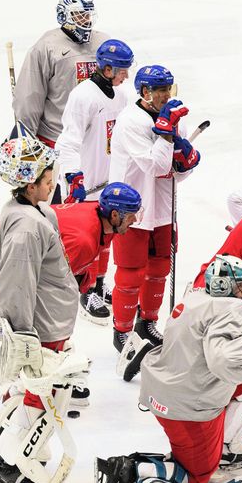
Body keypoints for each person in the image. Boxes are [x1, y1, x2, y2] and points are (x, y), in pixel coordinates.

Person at [94, 256, 242, 483]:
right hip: (188, 404)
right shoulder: (233, 309)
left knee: (199, 449)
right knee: (198, 476)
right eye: (240, 285)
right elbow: (224, 357)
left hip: (160, 390)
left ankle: (203, 452)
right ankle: (133, 470)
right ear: (226, 285)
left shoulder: (192, 299)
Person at [0, 136, 82, 483]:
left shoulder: (40, 212)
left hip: (49, 325)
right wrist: (21, 336)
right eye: (47, 177)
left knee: (37, 395)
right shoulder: (27, 228)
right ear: (30, 183)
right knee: (38, 397)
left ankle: (24, 459)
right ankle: (10, 468)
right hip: (39, 330)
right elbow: (15, 285)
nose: (53, 181)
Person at [108, 65, 202, 355]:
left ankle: (146, 323)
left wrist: (187, 162)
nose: (166, 95)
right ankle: (122, 330)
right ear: (145, 92)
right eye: (160, 89)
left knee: (161, 267)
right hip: (132, 208)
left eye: (168, 89)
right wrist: (165, 136)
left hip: (163, 205)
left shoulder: (175, 118)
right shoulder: (130, 121)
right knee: (131, 272)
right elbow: (155, 165)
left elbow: (174, 170)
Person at [54, 38, 136, 319]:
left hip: (109, 180)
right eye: (123, 70)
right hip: (86, 182)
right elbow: (68, 141)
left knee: (109, 235)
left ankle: (100, 284)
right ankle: (87, 289)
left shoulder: (122, 94)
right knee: (91, 237)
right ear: (108, 68)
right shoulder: (83, 96)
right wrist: (74, 177)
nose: (126, 75)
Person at [0, 183, 143, 325]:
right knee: (21, 325)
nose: (135, 220)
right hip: (4, 255)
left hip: (14, 243)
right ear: (114, 215)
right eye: (130, 216)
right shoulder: (83, 242)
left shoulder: (103, 216)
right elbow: (47, 284)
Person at [12, 0, 111, 151]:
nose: (85, 21)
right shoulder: (46, 47)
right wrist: (26, 138)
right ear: (63, 14)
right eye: (79, 15)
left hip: (96, 138)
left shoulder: (104, 42)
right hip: (58, 138)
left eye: (88, 15)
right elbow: (29, 97)